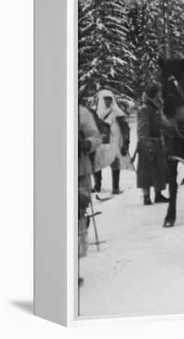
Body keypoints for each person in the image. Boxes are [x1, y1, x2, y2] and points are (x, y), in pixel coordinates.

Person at [78, 105, 102, 286]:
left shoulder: (81, 112)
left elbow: (95, 136)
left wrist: (87, 144)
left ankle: (72, 266)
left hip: (79, 170)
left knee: (79, 211)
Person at [91, 89, 132, 195]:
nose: (108, 101)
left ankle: (115, 187)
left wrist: (126, 143)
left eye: (110, 99)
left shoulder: (117, 113)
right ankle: (97, 186)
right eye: (105, 99)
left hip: (115, 141)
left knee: (114, 162)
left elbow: (125, 129)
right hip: (100, 142)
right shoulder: (96, 114)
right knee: (97, 162)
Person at [136, 83, 169, 205]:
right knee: (146, 171)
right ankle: (146, 197)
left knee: (159, 169)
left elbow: (161, 124)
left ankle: (158, 194)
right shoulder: (144, 109)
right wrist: (147, 144)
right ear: (153, 94)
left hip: (158, 142)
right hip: (148, 143)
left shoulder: (157, 108)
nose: (160, 95)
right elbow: (142, 130)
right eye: (158, 93)